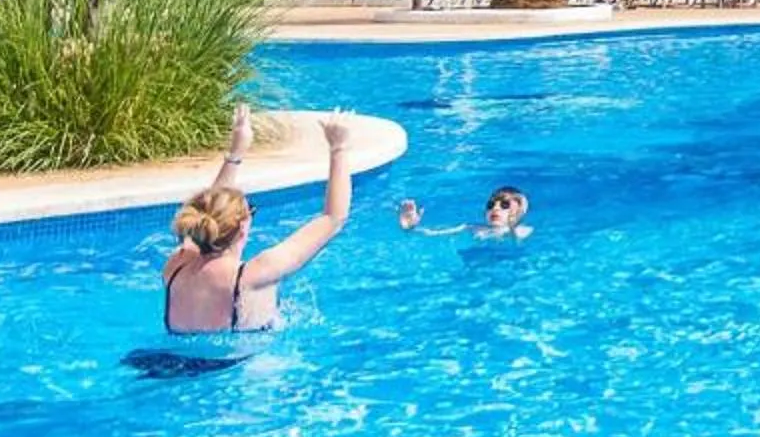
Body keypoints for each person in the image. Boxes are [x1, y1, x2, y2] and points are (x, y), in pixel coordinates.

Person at [161, 106, 355, 336]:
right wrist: (338, 148)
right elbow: (333, 218)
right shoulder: (255, 275)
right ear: (243, 227)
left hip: (167, 366)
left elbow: (212, 207)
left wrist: (236, 152)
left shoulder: (176, 266)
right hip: (233, 369)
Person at [397, 187, 532, 240]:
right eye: (490, 205)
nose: (495, 209)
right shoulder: (472, 228)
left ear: (518, 212)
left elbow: (517, 241)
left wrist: (512, 226)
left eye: (505, 205)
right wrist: (411, 227)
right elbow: (434, 234)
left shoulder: (522, 230)